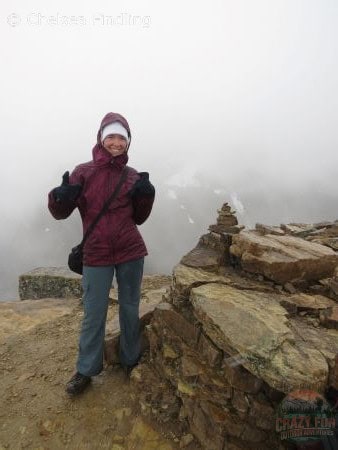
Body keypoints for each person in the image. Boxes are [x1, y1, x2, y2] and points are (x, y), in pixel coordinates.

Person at [48, 112, 155, 396]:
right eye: (112, 136)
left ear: (128, 142)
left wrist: (146, 195)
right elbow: (60, 213)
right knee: (93, 313)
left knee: (130, 308)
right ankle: (85, 369)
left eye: (122, 138)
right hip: (95, 253)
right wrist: (60, 196)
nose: (117, 142)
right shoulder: (83, 172)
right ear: (101, 138)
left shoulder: (132, 177)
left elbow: (140, 218)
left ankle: (130, 360)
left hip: (130, 251)